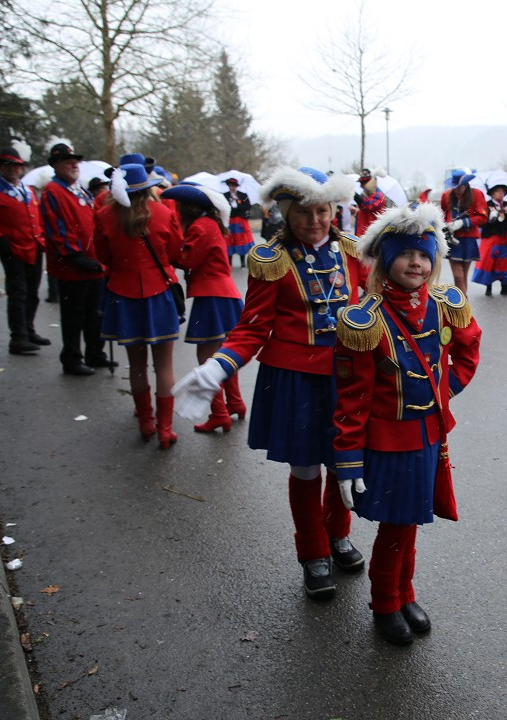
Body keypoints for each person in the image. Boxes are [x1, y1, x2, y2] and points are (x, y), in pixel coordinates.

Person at [172, 167, 368, 599]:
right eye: (302, 212)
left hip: (347, 379)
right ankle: (312, 552)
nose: (314, 221)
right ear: (284, 212)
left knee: (343, 465)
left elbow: (375, 314)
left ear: (334, 209)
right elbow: (252, 328)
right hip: (296, 380)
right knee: (305, 468)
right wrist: (218, 367)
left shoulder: (355, 252)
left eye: (322, 210)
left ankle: (338, 536)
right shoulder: (270, 260)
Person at [332, 203, 482, 645]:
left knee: (411, 522)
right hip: (388, 441)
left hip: (430, 437)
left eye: (424, 254)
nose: (416, 263)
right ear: (384, 260)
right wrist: (347, 460)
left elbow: (470, 352)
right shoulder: (365, 319)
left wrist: (444, 389)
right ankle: (384, 603)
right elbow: (350, 399)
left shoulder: (444, 305)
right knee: (395, 525)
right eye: (404, 254)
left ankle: (404, 592)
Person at [95, 163, 184, 449]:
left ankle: (146, 422)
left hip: (123, 295)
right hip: (159, 293)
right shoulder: (164, 213)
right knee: (164, 366)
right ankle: (165, 429)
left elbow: (101, 255)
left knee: (136, 366)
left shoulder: (104, 216)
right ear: (147, 187)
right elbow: (174, 252)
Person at [161, 183, 245, 433]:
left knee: (207, 358)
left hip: (211, 296)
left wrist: (168, 248)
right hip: (224, 294)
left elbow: (188, 259)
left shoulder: (200, 225)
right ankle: (235, 403)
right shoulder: (212, 223)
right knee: (223, 355)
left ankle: (219, 413)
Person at [41, 142, 115, 376]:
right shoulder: (53, 192)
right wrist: (75, 256)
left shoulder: (79, 189)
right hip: (72, 267)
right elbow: (57, 229)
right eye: (67, 161)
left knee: (95, 314)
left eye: (75, 161)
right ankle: (72, 358)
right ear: (56, 165)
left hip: (93, 264)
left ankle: (95, 352)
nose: (74, 165)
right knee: (73, 316)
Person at [0, 146, 50, 355]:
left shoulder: (27, 190)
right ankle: (18, 337)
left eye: (17, 166)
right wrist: (4, 246)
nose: (14, 170)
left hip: (34, 247)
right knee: (18, 293)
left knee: (33, 293)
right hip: (12, 249)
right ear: (0, 167)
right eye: (9, 166)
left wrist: (41, 239)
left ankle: (28, 329)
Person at [441, 169, 487, 294]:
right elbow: (442, 215)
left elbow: (483, 217)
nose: (456, 190)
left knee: (463, 276)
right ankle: (463, 308)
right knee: (458, 276)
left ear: (465, 185)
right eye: (454, 187)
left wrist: (463, 223)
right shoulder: (446, 195)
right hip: (452, 239)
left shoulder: (476, 194)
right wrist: (446, 225)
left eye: (459, 187)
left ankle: (463, 306)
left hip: (468, 238)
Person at [473, 182, 507, 296]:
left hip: (504, 239)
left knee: (504, 263)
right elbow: (481, 223)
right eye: (498, 191)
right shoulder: (486, 206)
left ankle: (505, 286)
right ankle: (489, 287)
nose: (501, 194)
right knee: (489, 263)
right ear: (492, 193)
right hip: (490, 239)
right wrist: (489, 219)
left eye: (503, 192)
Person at [224, 177, 255, 267]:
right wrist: (230, 204)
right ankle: (229, 263)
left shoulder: (243, 195)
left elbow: (248, 206)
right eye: (230, 185)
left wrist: (237, 205)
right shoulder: (225, 196)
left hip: (240, 221)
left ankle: (242, 263)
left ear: (236, 186)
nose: (232, 187)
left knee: (241, 241)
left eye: (233, 186)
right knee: (229, 241)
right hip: (229, 222)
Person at [353, 168, 386, 237]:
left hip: (372, 237)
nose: (361, 186)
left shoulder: (379, 196)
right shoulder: (364, 195)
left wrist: (355, 195)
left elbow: (368, 205)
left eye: (364, 183)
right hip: (361, 234)